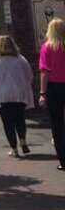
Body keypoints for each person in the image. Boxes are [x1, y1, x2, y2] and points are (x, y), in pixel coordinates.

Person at [0, 35, 33, 158]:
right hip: (19, 94)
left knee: (7, 123)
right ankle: (23, 140)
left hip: (2, 96)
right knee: (20, 119)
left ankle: (14, 149)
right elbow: (29, 75)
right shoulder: (20, 59)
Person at [39, 18, 65, 171]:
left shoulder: (46, 48)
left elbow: (45, 72)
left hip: (54, 88)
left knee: (57, 124)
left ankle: (63, 159)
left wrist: (42, 93)